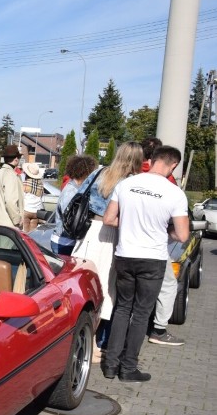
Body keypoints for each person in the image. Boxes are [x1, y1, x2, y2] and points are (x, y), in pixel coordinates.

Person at [101, 146, 189, 382]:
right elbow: (182, 235)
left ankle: (110, 365)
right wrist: (163, 229)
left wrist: (130, 223)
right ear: (173, 165)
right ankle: (128, 368)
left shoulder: (126, 184)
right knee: (141, 314)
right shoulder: (174, 193)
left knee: (122, 308)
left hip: (125, 254)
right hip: (152, 258)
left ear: (152, 161)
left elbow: (109, 219)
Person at [71, 142, 143, 356]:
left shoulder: (100, 172)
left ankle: (81, 340)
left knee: (84, 285)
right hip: (111, 235)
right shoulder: (130, 182)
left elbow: (79, 194)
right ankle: (90, 345)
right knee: (103, 288)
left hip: (88, 232)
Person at [139, 138, 184, 347]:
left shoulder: (130, 178)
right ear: (171, 164)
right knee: (167, 286)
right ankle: (158, 330)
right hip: (155, 247)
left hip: (125, 245)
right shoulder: (170, 186)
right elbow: (181, 233)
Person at [50, 155, 98, 255]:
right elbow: (69, 219)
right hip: (64, 242)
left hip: (67, 241)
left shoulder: (77, 189)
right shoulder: (71, 191)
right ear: (85, 173)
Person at [0, 145, 24, 230]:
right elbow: (10, 201)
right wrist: (17, 219)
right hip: (7, 224)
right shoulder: (10, 175)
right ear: (16, 159)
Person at [21, 162, 45, 232]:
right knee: (32, 233)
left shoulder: (25, 183)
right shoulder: (41, 185)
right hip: (36, 212)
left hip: (26, 209)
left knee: (25, 232)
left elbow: (22, 197)